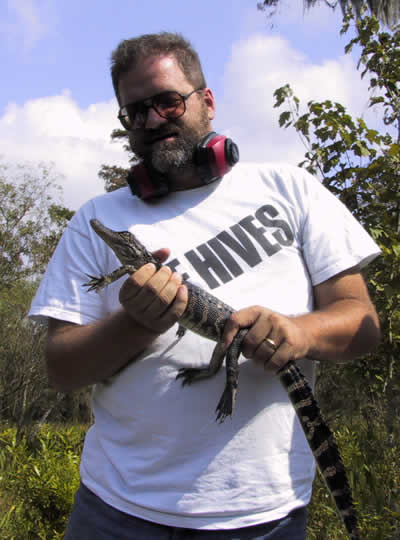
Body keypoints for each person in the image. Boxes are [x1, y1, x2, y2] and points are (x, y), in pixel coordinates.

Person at [29, 32, 381, 540]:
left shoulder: (291, 189)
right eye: (135, 112)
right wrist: (135, 324)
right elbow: (61, 368)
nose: (152, 120)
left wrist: (299, 334)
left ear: (207, 101)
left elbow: (362, 324)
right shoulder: (95, 220)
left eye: (167, 101)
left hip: (263, 516)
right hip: (116, 511)